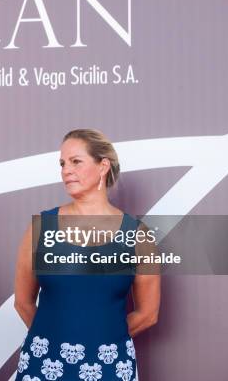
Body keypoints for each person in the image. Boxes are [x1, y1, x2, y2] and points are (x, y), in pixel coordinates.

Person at [14, 129, 160, 381]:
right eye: (62, 163)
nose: (65, 170)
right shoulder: (41, 227)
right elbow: (23, 302)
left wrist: (102, 342)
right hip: (43, 365)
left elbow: (148, 314)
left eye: (76, 161)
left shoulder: (138, 235)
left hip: (111, 367)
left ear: (103, 166)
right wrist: (53, 340)